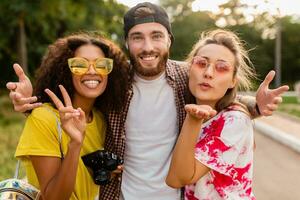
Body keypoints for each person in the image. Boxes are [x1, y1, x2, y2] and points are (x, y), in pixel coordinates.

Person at [6, 2, 289, 200]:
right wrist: (30, 102)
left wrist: (256, 106)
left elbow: (217, 94)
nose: (148, 47)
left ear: (169, 40)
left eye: (156, 36)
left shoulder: (186, 77)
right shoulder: (112, 83)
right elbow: (73, 102)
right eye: (137, 38)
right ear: (127, 43)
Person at [14, 32, 129, 200]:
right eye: (79, 65)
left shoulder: (100, 119)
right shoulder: (43, 118)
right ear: (64, 70)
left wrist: (105, 171)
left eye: (102, 65)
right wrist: (75, 144)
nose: (91, 71)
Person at [166, 29, 258, 199]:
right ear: (189, 69)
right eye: (201, 63)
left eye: (222, 67)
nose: (208, 73)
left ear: (232, 81)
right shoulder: (182, 104)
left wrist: (193, 120)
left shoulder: (234, 121)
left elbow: (177, 178)